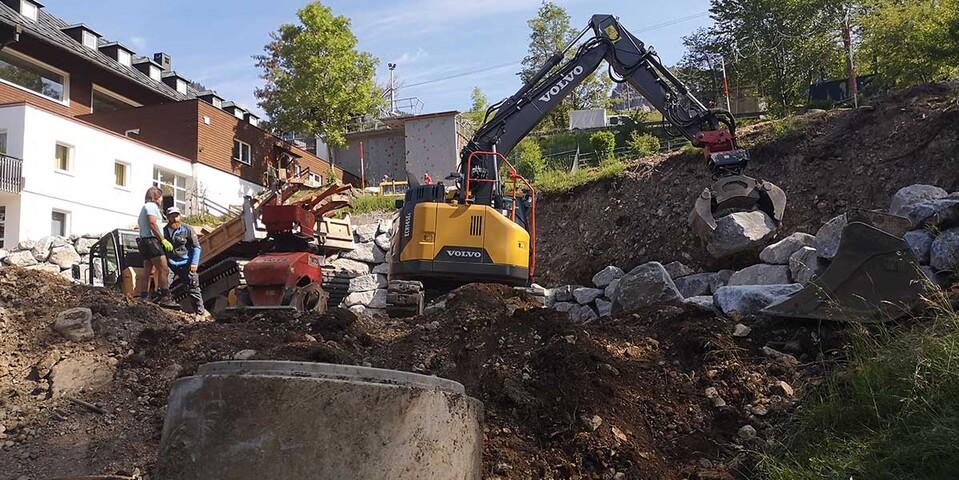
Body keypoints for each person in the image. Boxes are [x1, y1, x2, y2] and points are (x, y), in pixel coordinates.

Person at [163, 206, 206, 316]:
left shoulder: (187, 229)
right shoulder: (164, 231)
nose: (175, 219)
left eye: (177, 216)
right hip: (171, 263)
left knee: (193, 287)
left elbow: (196, 247)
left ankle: (200, 313)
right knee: (164, 285)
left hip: (186, 263)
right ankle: (163, 310)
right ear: (168, 217)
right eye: (172, 216)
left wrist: (194, 263)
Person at [135, 186, 173, 304]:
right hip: (152, 241)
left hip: (144, 241)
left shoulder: (144, 207)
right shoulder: (151, 206)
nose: (161, 200)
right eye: (160, 197)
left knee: (147, 270)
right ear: (156, 197)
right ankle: (165, 296)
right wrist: (162, 240)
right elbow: (152, 223)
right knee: (164, 268)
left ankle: (144, 295)